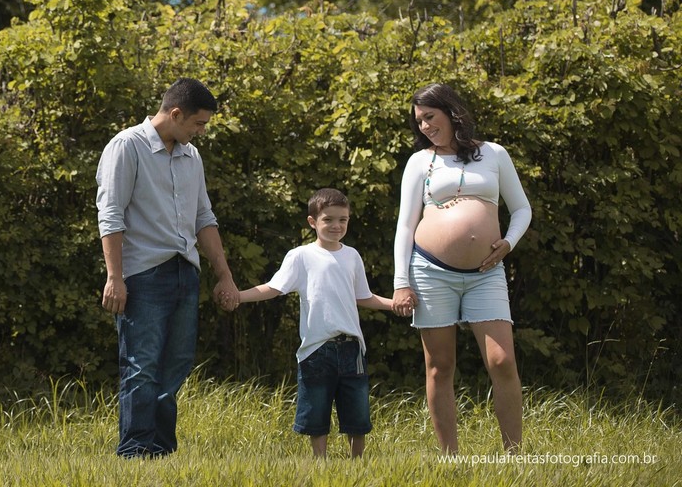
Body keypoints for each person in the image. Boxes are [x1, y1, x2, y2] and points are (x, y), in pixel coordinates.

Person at [96, 77, 240, 459]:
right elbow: (110, 215)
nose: (201, 132)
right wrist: (115, 277)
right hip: (144, 275)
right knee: (141, 366)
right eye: (198, 124)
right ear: (175, 114)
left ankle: (160, 451)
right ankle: (134, 451)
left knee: (176, 365)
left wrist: (223, 274)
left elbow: (204, 218)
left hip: (185, 272)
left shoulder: (192, 157)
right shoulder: (127, 146)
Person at [390, 83, 532, 454]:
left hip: (486, 274)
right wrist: (401, 282)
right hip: (430, 271)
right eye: (419, 121)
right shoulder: (420, 162)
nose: (424, 126)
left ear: (451, 112)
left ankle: (513, 456)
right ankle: (450, 457)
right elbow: (405, 225)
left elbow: (521, 209)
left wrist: (508, 242)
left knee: (502, 361)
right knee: (440, 365)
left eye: (430, 117)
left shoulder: (494, 154)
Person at [236, 188, 393, 458]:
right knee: (316, 412)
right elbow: (273, 287)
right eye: (328, 219)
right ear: (312, 222)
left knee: (357, 412)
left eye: (342, 220)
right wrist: (238, 296)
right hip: (316, 348)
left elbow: (363, 296)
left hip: (352, 347)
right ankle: (320, 463)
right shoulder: (300, 256)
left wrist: (394, 304)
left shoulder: (352, 256)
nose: (336, 225)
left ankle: (358, 463)